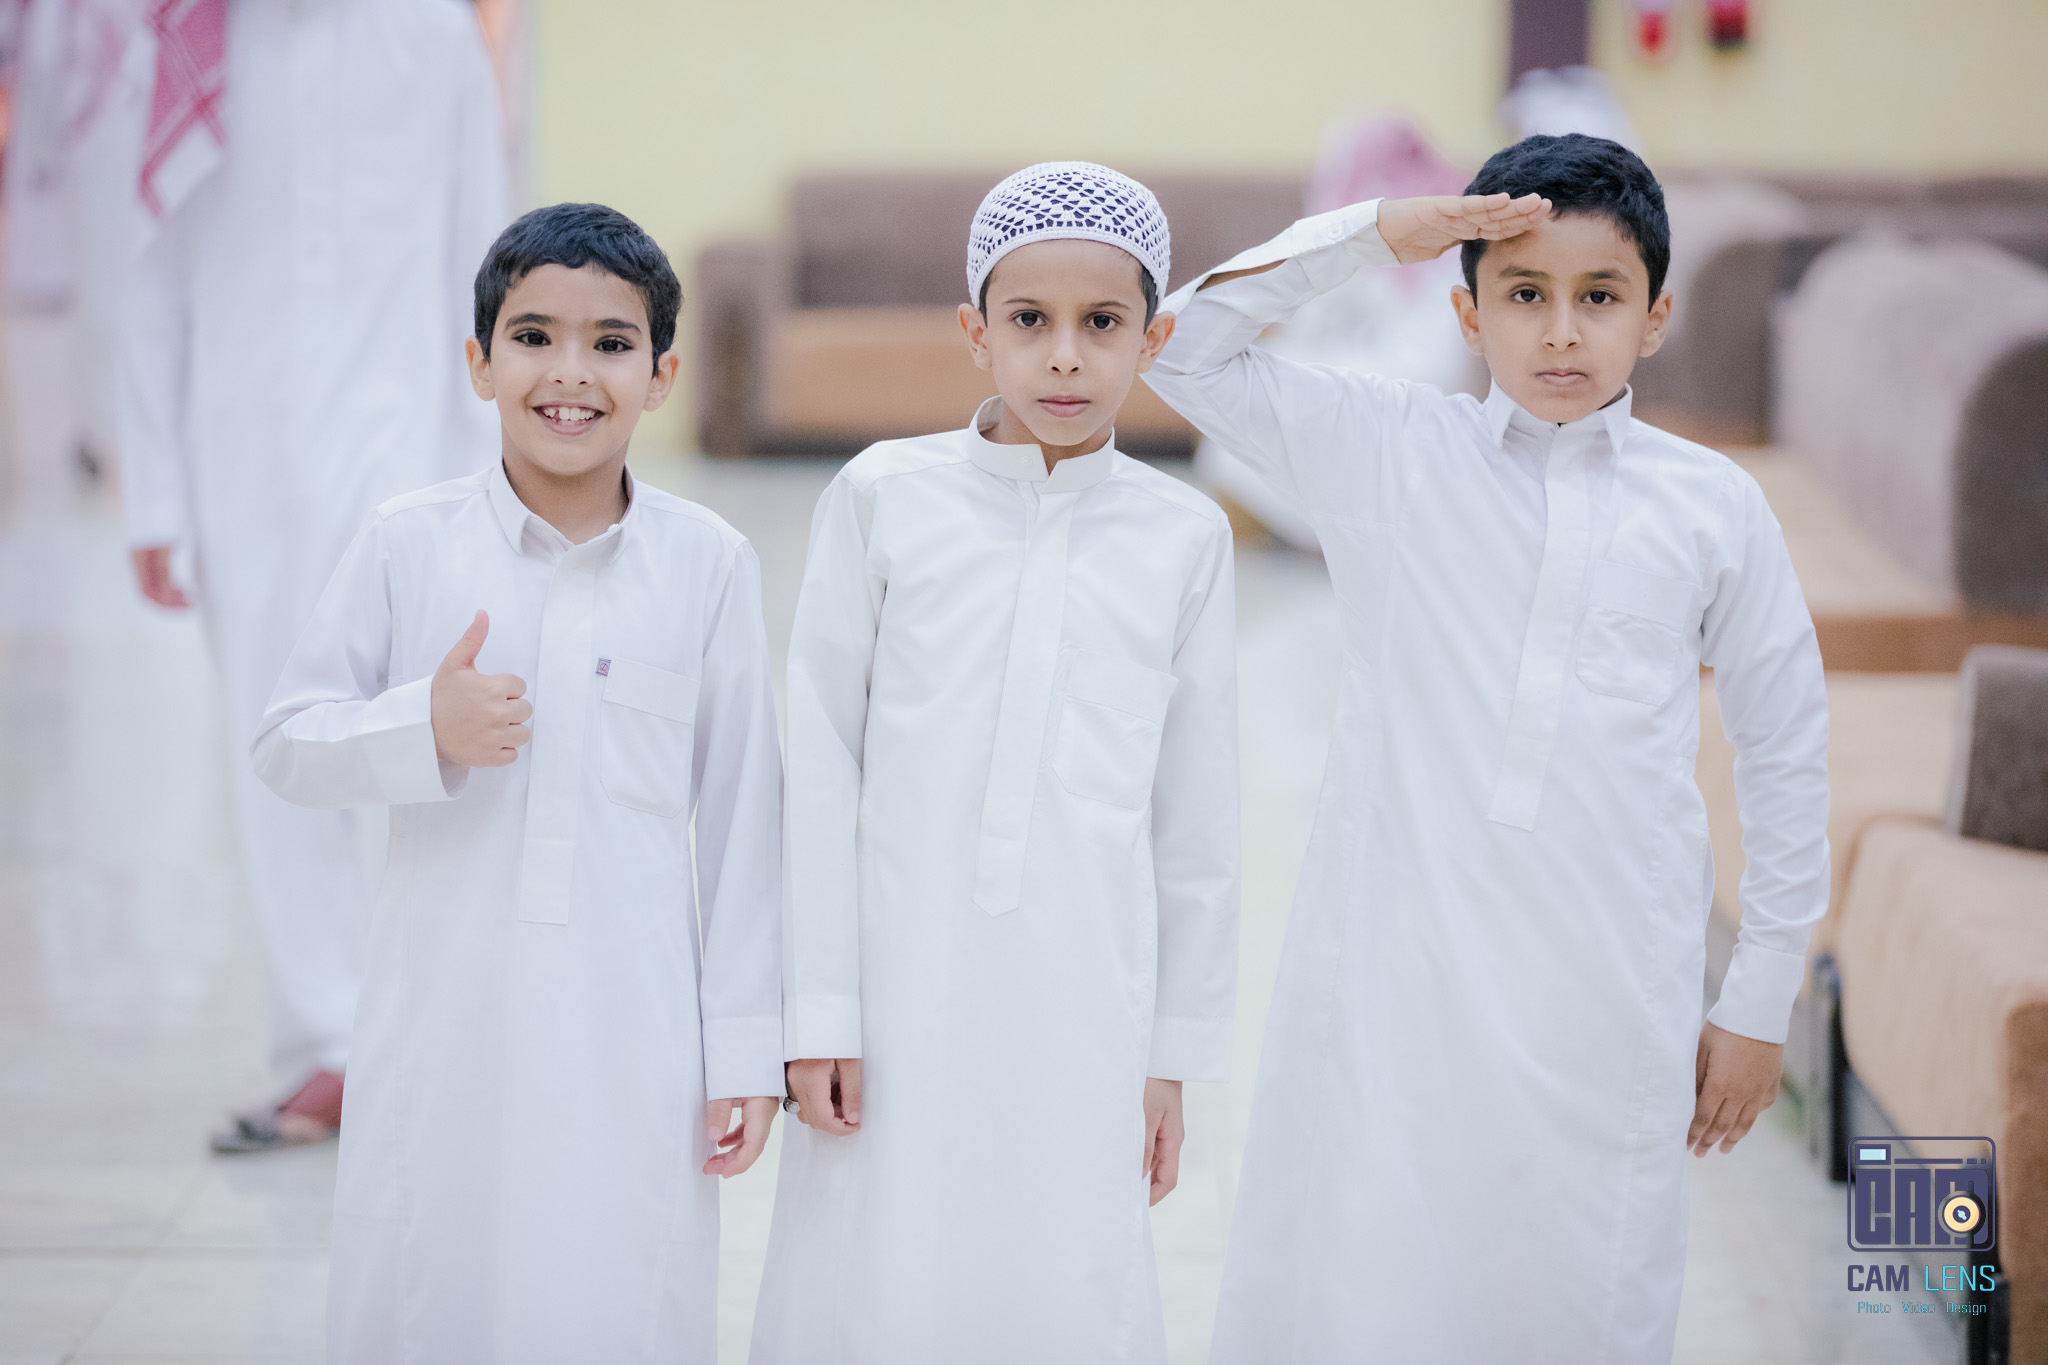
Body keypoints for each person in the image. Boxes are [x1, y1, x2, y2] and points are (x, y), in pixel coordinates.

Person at [1144, 134, 1830, 1363]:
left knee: (1581, 1298)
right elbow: (1177, 344)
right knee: (1371, 1292)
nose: (1560, 332)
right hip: (1394, 987)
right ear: (1466, 313)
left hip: (1609, 995)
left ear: (1655, 317)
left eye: (1598, 297)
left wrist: (1759, 997)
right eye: (1523, 294)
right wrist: (1372, 235)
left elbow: (1784, 748)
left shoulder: (1711, 508)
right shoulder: (1388, 448)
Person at [251, 203, 785, 1365]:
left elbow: (747, 821)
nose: (570, 372)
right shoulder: (408, 542)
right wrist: (423, 726)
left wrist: (745, 1050)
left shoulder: (707, 565)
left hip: (633, 1032)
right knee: (429, 1289)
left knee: (616, 1292)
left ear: (661, 375)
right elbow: (287, 744)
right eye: (534, 336)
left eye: (611, 343)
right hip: (443, 1024)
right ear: (478, 362)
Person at [751, 162, 1241, 1365]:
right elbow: (816, 761)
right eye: (1029, 320)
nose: (1064, 357)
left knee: (1061, 1275)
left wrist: (1170, 1060)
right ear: (975, 333)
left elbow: (1196, 822)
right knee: (874, 1272)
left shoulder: (1182, 537)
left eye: (1102, 323)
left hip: (1084, 1001)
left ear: (1152, 340)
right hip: (891, 987)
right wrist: (817, 1011)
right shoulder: (882, 497)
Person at [117, 0, 509, 1151]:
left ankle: (430, 1040)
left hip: (416, 448)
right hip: (242, 460)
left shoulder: (434, 34)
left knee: (423, 743)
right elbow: (152, 274)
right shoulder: (197, 41)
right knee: (275, 739)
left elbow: (484, 259)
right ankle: (322, 1051)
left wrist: (500, 475)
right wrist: (153, 492)